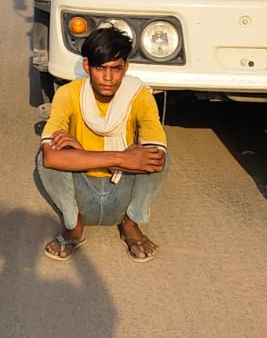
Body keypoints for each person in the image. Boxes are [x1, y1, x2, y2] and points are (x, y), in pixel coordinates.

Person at [37, 26, 168, 263]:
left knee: (162, 158)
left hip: (123, 192)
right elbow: (49, 158)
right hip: (82, 191)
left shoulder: (139, 94)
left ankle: (131, 223)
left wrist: (81, 153)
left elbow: (156, 158)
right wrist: (121, 158)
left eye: (116, 69)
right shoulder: (68, 94)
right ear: (87, 66)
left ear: (125, 68)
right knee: (44, 157)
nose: (108, 78)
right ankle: (74, 226)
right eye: (100, 68)